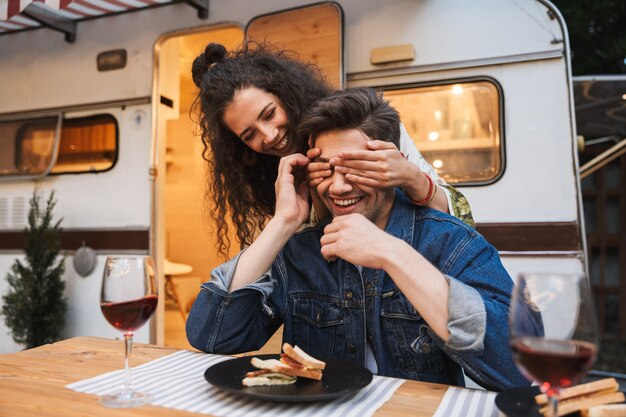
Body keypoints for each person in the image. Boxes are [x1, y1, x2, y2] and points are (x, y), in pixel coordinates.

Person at [186, 88, 529, 391]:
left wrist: (392, 254)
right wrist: (283, 221)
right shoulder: (299, 250)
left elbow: (518, 370)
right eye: (326, 170)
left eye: (356, 167)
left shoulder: (450, 242)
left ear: (390, 164)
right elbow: (212, 335)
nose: (338, 187)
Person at [191, 42, 474, 257]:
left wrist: (411, 177)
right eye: (249, 134)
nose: (270, 135)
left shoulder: (360, 122)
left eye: (268, 114)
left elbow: (461, 220)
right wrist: (309, 200)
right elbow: (309, 258)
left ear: (285, 94)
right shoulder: (275, 177)